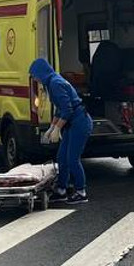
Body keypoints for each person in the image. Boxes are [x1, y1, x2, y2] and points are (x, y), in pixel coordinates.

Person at [29, 57, 92, 205]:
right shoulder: (52, 81)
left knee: (72, 159)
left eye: (35, 75)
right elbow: (59, 109)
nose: (35, 79)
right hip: (72, 123)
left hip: (79, 123)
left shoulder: (55, 84)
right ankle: (61, 189)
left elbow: (67, 110)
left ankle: (81, 191)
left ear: (41, 72)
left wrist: (57, 128)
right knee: (61, 157)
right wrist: (52, 127)